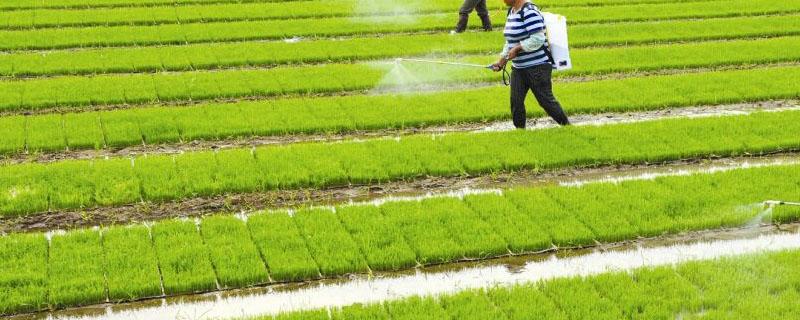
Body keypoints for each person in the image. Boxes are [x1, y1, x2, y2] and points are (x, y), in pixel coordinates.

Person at [491, 0, 570, 129]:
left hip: (537, 67)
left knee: (545, 101)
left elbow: (538, 39)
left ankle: (567, 126)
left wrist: (517, 49)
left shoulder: (529, 12)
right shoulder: (511, 12)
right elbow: (510, 41)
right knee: (516, 102)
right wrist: (502, 61)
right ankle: (520, 132)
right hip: (519, 68)